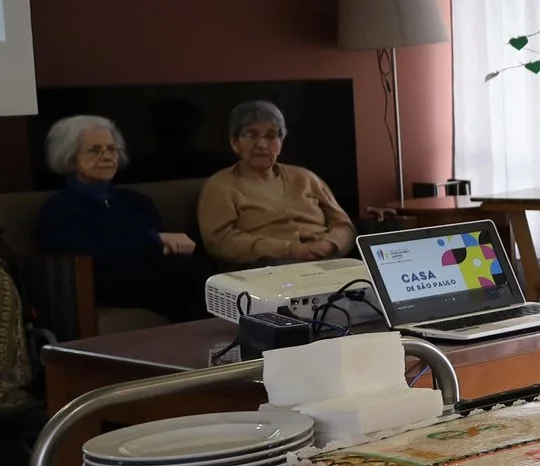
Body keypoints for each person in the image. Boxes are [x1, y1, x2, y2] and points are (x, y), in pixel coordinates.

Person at [35, 116, 209, 321]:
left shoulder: (137, 201)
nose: (106, 156)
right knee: (186, 274)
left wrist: (163, 244)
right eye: (94, 150)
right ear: (69, 157)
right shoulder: (58, 208)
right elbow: (88, 254)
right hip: (98, 283)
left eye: (111, 149)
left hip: (146, 275)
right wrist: (153, 241)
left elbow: (157, 247)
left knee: (199, 268)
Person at [197, 100, 356, 266]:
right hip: (268, 268)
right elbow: (220, 242)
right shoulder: (220, 185)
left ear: (280, 143)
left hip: (328, 261)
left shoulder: (306, 178)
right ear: (235, 143)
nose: (262, 145)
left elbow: (344, 225)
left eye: (271, 136)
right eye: (251, 135)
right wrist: (287, 249)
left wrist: (330, 244)